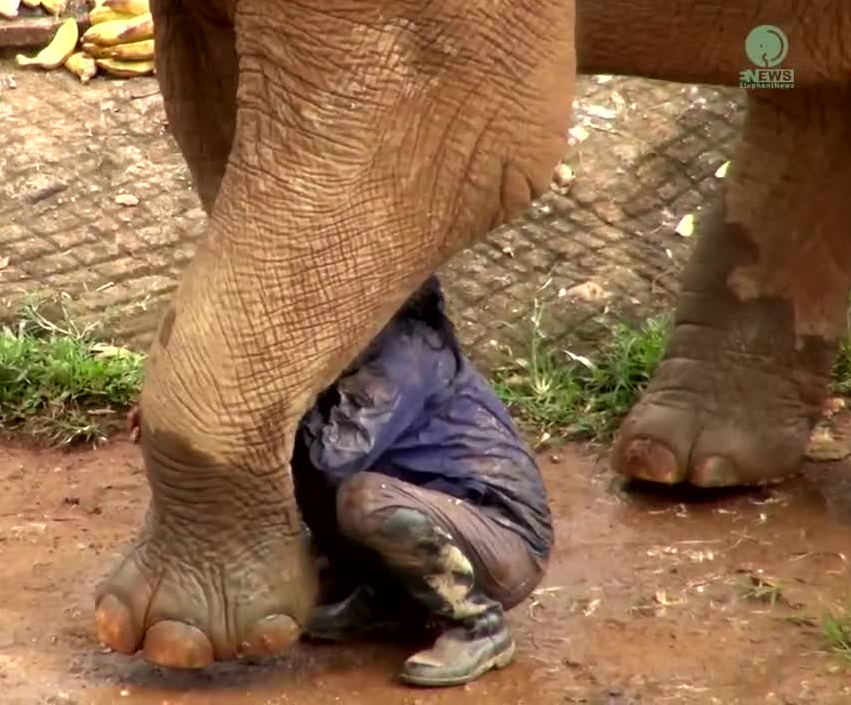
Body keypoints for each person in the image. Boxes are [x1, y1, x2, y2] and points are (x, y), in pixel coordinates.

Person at [126, 274, 552, 688]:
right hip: (436, 516)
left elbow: (332, 459)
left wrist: (242, 419)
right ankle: (384, 598)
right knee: (338, 495)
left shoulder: (404, 351)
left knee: (362, 499)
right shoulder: (358, 346)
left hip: (500, 541)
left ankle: (479, 625)